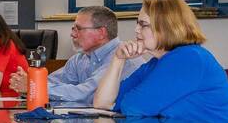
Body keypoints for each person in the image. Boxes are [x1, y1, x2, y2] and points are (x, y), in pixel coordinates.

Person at [92, 0, 228, 123]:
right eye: (137, 23)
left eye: (143, 25)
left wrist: (123, 103)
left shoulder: (189, 58)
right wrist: (118, 59)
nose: (136, 30)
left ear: (167, 28)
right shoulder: (155, 64)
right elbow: (103, 103)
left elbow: (132, 107)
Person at [10, 6, 143, 105]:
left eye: (78, 29)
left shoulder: (123, 56)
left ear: (101, 33)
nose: (72, 34)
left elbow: (85, 94)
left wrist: (34, 86)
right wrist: (30, 83)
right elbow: (52, 82)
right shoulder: (80, 58)